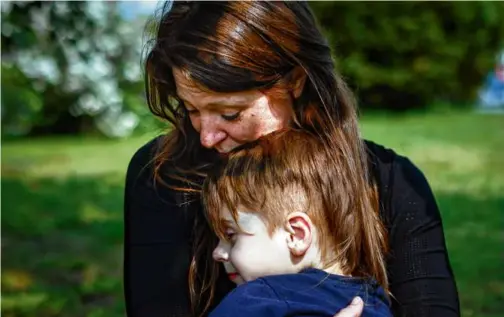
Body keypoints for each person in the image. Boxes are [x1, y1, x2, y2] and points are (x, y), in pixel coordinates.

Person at [123, 2, 460, 317]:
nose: (207, 137)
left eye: (230, 113)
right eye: (192, 110)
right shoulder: (165, 176)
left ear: (295, 81)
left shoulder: (389, 184)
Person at [202, 129, 392, 317]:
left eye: (231, 235)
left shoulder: (254, 301)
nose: (217, 253)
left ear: (296, 235)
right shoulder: (373, 301)